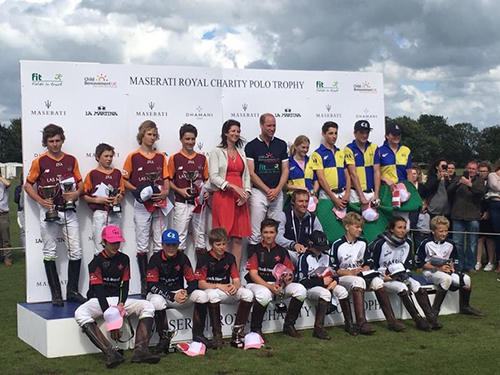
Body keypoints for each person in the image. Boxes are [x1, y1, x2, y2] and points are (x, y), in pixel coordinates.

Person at [74, 226, 160, 368]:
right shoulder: (95, 263)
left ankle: (141, 350)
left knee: (148, 305)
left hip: (119, 301)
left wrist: (121, 304)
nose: (115, 246)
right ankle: (110, 353)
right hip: (98, 301)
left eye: (117, 242)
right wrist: (112, 320)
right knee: (80, 313)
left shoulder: (124, 259)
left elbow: (124, 285)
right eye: (112, 242)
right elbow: (99, 291)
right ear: (103, 243)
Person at [24, 124, 86, 306]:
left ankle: (73, 291)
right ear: (46, 143)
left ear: (62, 140)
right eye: (51, 141)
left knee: (76, 251)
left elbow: (80, 184)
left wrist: (75, 194)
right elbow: (28, 185)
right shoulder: (40, 162)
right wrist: (40, 201)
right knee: (50, 251)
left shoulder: (71, 160)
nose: (55, 144)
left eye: (58, 140)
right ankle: (56, 294)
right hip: (49, 211)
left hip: (68, 210)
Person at [329, 212, 405, 334]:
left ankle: (391, 320)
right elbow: (334, 269)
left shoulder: (363, 242)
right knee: (358, 281)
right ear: (347, 227)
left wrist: (366, 267)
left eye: (361, 227)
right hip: (344, 277)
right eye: (357, 227)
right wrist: (351, 272)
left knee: (378, 281)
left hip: (361, 275)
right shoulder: (337, 244)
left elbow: (368, 261)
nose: (360, 230)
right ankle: (361, 323)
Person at [146, 229, 216, 351]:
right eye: (168, 244)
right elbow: (152, 285)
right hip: (162, 296)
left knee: (201, 295)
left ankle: (199, 335)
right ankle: (163, 339)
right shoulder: (155, 259)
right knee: (156, 301)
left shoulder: (183, 258)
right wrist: (172, 296)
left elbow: (193, 281)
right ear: (162, 245)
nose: (171, 248)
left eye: (174, 245)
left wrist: (186, 292)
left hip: (179, 294)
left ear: (178, 245)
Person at [123, 120, 170, 297]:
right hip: (142, 204)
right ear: (142, 135)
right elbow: (124, 179)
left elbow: (166, 179)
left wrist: (165, 192)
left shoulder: (160, 157)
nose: (152, 137)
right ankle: (145, 282)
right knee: (142, 243)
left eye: (154, 134)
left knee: (159, 243)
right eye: (149, 134)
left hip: (159, 203)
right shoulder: (133, 157)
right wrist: (137, 191)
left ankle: (158, 280)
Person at [370, 216, 441, 331]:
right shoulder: (380, 243)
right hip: (385, 278)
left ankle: (431, 317)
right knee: (402, 287)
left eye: (404, 228)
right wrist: (383, 276)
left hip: (401, 275)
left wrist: (404, 275)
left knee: (417, 286)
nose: (403, 230)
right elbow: (372, 265)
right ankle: (418, 320)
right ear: (391, 229)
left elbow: (407, 265)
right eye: (399, 228)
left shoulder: (407, 242)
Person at [245, 218, 307, 340]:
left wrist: (284, 282)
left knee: (300, 290)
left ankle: (289, 325)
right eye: (266, 232)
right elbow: (253, 275)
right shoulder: (254, 250)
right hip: (256, 284)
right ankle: (256, 329)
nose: (268, 236)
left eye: (271, 232)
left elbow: (290, 273)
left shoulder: (282, 251)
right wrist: (270, 287)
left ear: (276, 233)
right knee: (264, 294)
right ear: (261, 233)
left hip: (277, 285)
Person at [195, 227, 254, 349]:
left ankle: (237, 333)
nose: (222, 247)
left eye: (224, 244)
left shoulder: (230, 257)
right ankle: (218, 336)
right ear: (211, 244)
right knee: (212, 294)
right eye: (218, 244)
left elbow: (237, 280)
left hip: (226, 291)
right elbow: (201, 284)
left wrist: (234, 286)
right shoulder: (204, 259)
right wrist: (218, 285)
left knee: (248, 294)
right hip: (213, 290)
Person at [416, 216, 483, 317]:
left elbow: (454, 259)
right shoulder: (426, 244)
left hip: (446, 271)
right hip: (430, 271)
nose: (444, 234)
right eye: (441, 231)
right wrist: (437, 269)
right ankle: (435, 310)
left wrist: (453, 268)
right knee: (446, 279)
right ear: (433, 231)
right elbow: (419, 263)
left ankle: (465, 306)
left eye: (446, 231)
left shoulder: (450, 243)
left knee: (467, 279)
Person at [297, 230, 356, 339]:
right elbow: (302, 281)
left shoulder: (326, 256)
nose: (321, 250)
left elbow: (334, 273)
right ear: (311, 244)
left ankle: (349, 324)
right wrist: (321, 282)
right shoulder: (304, 258)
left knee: (342, 291)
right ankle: (318, 329)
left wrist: (335, 281)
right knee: (325, 293)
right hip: (311, 287)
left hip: (327, 284)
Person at [208, 119, 251, 268]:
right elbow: (213, 177)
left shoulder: (241, 152)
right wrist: (232, 187)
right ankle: (222, 273)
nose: (236, 134)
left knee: (238, 239)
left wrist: (246, 193)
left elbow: (246, 176)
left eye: (238, 131)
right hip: (224, 196)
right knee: (223, 238)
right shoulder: (216, 151)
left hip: (240, 199)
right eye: (233, 131)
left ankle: (236, 275)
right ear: (226, 133)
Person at [245, 114, 289, 246]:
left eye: (274, 125)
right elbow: (251, 173)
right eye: (269, 125)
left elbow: (285, 169)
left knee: (275, 232)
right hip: (259, 192)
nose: (272, 128)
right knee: (256, 234)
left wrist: (277, 189)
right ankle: (252, 265)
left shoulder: (281, 144)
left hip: (277, 192)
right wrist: (267, 190)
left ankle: (274, 264)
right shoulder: (251, 146)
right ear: (261, 125)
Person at [169, 124, 209, 261]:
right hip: (182, 203)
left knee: (201, 240)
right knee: (180, 239)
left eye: (193, 139)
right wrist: (179, 190)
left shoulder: (202, 158)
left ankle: (201, 276)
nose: (190, 142)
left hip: (199, 205)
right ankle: (179, 273)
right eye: (187, 139)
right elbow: (168, 180)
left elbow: (207, 180)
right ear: (181, 139)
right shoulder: (174, 158)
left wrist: (207, 192)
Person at [83, 143, 124, 254]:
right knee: (100, 247)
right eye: (106, 156)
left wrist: (117, 199)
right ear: (97, 157)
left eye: (111, 156)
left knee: (116, 247)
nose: (109, 159)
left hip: (115, 213)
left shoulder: (117, 173)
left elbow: (121, 192)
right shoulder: (92, 174)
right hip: (100, 213)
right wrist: (98, 200)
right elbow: (84, 196)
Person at [447, 161, 487, 272]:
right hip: (458, 215)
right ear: (466, 168)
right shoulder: (459, 178)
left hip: (473, 216)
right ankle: (459, 266)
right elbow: (449, 191)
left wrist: (470, 185)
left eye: (473, 168)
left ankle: (470, 265)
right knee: (457, 242)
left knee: (472, 243)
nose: (471, 170)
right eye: (469, 168)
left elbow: (481, 193)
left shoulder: (479, 181)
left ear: (477, 170)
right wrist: (458, 183)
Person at [310, 122, 350, 216]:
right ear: (323, 134)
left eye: (336, 133)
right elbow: (321, 179)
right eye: (330, 133)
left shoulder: (340, 152)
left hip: (342, 194)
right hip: (327, 196)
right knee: (327, 226)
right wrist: (334, 198)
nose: (334, 136)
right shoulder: (318, 154)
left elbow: (347, 176)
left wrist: (347, 194)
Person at [276, 189, 323, 265]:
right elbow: (277, 237)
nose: (304, 204)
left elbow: (321, 235)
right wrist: (293, 245)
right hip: (289, 252)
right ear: (293, 202)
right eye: (300, 201)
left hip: (307, 254)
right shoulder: (284, 215)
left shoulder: (313, 218)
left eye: (306, 201)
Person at [344, 120, 380, 210]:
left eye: (367, 133)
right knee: (356, 222)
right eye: (361, 132)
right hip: (356, 193)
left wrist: (376, 194)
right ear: (355, 133)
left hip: (371, 192)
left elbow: (377, 172)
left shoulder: (374, 147)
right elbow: (353, 174)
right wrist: (361, 197)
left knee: (373, 222)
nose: (365, 135)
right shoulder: (349, 149)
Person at [476, 162, 494, 271]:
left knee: (489, 239)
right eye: (481, 171)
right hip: (477, 211)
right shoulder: (476, 182)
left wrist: (487, 211)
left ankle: (490, 261)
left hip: (489, 211)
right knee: (479, 238)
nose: (482, 173)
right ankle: (478, 261)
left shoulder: (491, 183)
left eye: (485, 171)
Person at [487, 160, 500, 273]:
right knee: (497, 234)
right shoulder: (492, 175)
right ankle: (499, 262)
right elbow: (495, 187)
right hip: (495, 205)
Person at [0, 169, 12, 266]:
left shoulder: (4, 181)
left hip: (2, 214)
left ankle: (7, 257)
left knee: (5, 237)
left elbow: (8, 184)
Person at [13, 174, 25, 254]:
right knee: (23, 231)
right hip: (21, 212)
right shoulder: (18, 188)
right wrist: (21, 193)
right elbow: (16, 200)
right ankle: (24, 250)